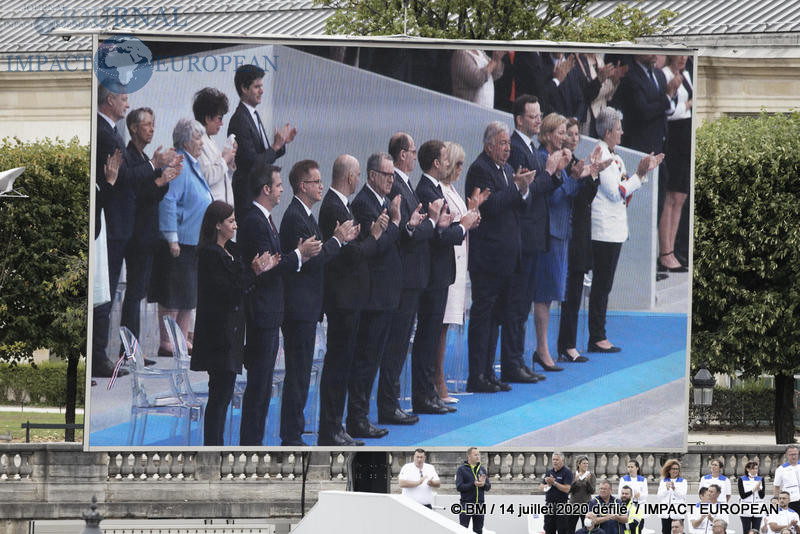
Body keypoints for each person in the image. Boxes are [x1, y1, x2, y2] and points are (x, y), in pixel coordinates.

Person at [236, 162, 321, 446]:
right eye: (278, 185)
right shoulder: (254, 221)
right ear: (266, 189)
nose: (282, 189)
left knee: (262, 385)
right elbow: (270, 264)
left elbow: (275, 260)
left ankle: (255, 441)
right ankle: (251, 443)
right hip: (262, 311)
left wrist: (292, 255)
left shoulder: (266, 219)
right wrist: (298, 253)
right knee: (259, 385)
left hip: (272, 310)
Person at [278, 160, 357, 446]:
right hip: (299, 307)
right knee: (298, 373)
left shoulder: (307, 215)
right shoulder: (296, 217)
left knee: (301, 372)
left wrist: (337, 240)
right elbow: (314, 260)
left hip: (308, 306)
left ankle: (295, 431)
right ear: (302, 185)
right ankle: (292, 435)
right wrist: (338, 239)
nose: (321, 186)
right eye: (316, 182)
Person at [192, 201, 275, 445]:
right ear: (217, 225)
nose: (235, 225)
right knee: (219, 395)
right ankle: (212, 446)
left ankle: (215, 444)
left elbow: (242, 281)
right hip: (218, 335)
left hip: (233, 333)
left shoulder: (232, 251)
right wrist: (254, 271)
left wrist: (257, 268)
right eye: (230, 221)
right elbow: (228, 290)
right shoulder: (210, 254)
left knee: (224, 394)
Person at [317, 154, 385, 446]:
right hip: (342, 298)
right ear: (350, 177)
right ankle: (330, 428)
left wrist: (361, 240)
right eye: (357, 175)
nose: (358, 180)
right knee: (338, 364)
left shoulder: (341, 205)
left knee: (344, 364)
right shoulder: (333, 206)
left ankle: (337, 425)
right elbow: (351, 254)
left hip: (351, 297)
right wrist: (374, 237)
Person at [464, 121, 535, 393]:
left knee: (497, 317)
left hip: (507, 256)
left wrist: (523, 189)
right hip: (488, 258)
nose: (508, 148)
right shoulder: (479, 169)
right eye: (503, 143)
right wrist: (516, 189)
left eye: (508, 143)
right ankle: (476, 374)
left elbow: (520, 204)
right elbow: (490, 206)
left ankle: (488, 371)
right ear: (489, 145)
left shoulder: (506, 170)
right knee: (483, 316)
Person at [411, 140, 480, 415]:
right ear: (436, 163)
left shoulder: (436, 188)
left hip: (440, 272)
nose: (449, 164)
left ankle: (428, 393)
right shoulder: (427, 190)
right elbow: (439, 235)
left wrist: (460, 225)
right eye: (444, 158)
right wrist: (461, 227)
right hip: (432, 272)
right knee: (427, 337)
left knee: (430, 337)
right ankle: (424, 394)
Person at [505, 94, 569, 383]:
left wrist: (554, 174)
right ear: (519, 119)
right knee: (518, 304)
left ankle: (517, 360)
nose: (538, 120)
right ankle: (513, 362)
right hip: (524, 234)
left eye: (539, 115)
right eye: (533, 116)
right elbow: (529, 191)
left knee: (522, 303)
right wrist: (550, 172)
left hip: (533, 235)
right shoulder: (518, 149)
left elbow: (537, 187)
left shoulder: (527, 146)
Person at [588, 107, 663, 353]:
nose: (622, 132)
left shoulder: (616, 156)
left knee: (605, 285)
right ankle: (597, 335)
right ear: (608, 131)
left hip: (616, 228)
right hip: (603, 229)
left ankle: (599, 333)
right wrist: (639, 175)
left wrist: (641, 175)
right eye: (618, 128)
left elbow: (625, 193)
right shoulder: (600, 154)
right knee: (601, 285)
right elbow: (615, 192)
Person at [380, 132, 440, 422]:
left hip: (412, 277)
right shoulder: (399, 189)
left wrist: (426, 223)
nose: (415, 157)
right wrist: (432, 222)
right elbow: (410, 231)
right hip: (404, 278)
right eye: (413, 151)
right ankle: (388, 405)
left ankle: (392, 402)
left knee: (402, 343)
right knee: (396, 344)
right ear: (402, 154)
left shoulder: (405, 186)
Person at [346, 152, 402, 439]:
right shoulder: (363, 203)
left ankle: (362, 415)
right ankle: (357, 418)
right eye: (387, 175)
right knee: (365, 359)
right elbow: (376, 245)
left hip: (386, 293)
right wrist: (395, 221)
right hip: (372, 295)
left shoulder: (381, 201)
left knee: (375, 358)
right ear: (371, 176)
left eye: (394, 175)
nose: (392, 180)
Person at [119, 107, 181, 359]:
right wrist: (157, 174)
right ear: (133, 128)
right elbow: (134, 193)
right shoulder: (129, 156)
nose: (152, 129)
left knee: (138, 293)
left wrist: (165, 177)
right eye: (147, 124)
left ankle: (133, 349)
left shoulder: (143, 157)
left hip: (147, 234)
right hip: (136, 234)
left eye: (154, 124)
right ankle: (130, 351)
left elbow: (152, 195)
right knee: (134, 293)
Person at [151, 118, 214, 356]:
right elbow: (168, 200)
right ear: (186, 141)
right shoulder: (179, 162)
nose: (202, 143)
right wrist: (172, 237)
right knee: (173, 293)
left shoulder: (192, 162)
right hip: (179, 241)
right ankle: (168, 342)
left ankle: (180, 338)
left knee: (188, 293)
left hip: (194, 240)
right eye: (198, 138)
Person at [531, 113, 585, 372]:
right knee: (543, 293)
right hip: (549, 232)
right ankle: (542, 349)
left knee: (551, 293)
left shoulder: (559, 158)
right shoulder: (544, 158)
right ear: (549, 133)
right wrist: (573, 178)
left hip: (561, 231)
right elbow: (552, 199)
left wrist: (576, 176)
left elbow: (565, 194)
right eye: (561, 132)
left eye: (566, 132)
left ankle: (543, 348)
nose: (565, 137)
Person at [557, 118, 608, 363]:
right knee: (567, 293)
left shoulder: (578, 163)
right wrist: (584, 176)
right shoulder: (564, 164)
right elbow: (573, 196)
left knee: (575, 292)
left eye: (578, 133)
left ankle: (568, 343)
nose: (575, 137)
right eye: (570, 133)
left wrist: (594, 174)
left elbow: (586, 197)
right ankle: (564, 344)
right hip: (567, 233)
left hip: (579, 233)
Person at [433, 141, 479, 403]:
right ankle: (438, 380)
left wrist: (473, 212)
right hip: (448, 263)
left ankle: (438, 378)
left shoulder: (452, 190)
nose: (461, 168)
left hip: (459, 263)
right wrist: (465, 221)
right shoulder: (440, 191)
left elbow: (461, 222)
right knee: (441, 325)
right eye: (458, 163)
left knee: (446, 325)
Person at [92, 84, 130, 378]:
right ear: (109, 100)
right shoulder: (104, 134)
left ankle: (99, 356)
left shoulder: (112, 132)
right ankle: (98, 357)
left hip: (112, 222)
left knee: (104, 291)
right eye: (124, 99)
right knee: (101, 293)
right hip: (108, 221)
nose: (127, 105)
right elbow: (119, 178)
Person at [227, 64, 297, 214]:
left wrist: (281, 143)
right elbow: (252, 163)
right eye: (256, 87)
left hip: (256, 195)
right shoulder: (240, 119)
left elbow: (264, 155)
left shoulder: (252, 115)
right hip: (247, 197)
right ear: (244, 89)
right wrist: (275, 147)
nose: (262, 91)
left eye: (262, 86)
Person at [657, 55, 692, 273]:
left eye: (685, 54)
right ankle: (665, 252)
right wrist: (688, 104)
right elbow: (671, 111)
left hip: (686, 136)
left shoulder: (686, 75)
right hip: (674, 136)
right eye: (679, 54)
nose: (682, 58)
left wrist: (688, 105)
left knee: (680, 196)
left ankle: (673, 250)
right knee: (670, 196)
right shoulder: (665, 75)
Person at [193, 87, 237, 207]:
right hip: (212, 210)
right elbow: (207, 177)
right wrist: (224, 160)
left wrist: (229, 163)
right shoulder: (198, 142)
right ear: (208, 118)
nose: (222, 123)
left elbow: (221, 179)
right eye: (219, 118)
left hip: (223, 208)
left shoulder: (210, 140)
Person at [456, 447, 491, 534]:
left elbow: (488, 487)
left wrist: (483, 485)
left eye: (478, 454)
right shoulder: (461, 469)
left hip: (480, 505)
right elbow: (459, 487)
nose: (478, 456)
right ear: (469, 456)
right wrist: (473, 484)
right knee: (463, 530)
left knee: (479, 530)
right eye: (475, 455)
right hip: (466, 504)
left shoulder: (482, 469)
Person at [542, 452, 574, 534]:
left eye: (557, 460)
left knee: (562, 530)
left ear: (562, 460)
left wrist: (554, 483)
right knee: (548, 529)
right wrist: (548, 485)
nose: (555, 461)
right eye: (553, 459)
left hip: (561, 506)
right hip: (549, 505)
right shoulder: (549, 472)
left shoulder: (567, 472)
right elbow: (541, 486)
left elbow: (567, 489)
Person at [658, 459, 688, 534]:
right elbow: (659, 496)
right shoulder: (663, 481)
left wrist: (674, 489)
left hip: (677, 512)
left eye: (677, 469)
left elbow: (682, 495)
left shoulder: (683, 481)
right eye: (673, 469)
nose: (675, 471)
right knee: (665, 531)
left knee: (678, 532)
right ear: (669, 470)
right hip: (665, 513)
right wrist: (666, 489)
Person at [570, 455, 596, 533]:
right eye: (584, 463)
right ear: (579, 464)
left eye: (587, 463)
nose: (586, 465)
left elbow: (592, 491)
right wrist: (575, 481)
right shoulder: (573, 475)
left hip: (586, 505)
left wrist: (588, 482)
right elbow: (569, 490)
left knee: (586, 527)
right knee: (570, 527)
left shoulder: (591, 475)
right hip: (574, 505)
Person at [739, 460, 765, 532]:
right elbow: (743, 495)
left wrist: (759, 489)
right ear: (747, 469)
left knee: (756, 530)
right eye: (752, 468)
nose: (755, 470)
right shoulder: (741, 479)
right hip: (746, 507)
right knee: (746, 530)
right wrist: (753, 490)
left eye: (756, 468)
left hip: (758, 507)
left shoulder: (761, 479)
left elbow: (762, 496)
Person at [773, 445, 800, 515]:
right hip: (791, 500)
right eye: (791, 454)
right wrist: (776, 499)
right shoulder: (781, 469)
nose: (793, 456)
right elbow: (777, 486)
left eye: (795, 454)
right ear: (786, 455)